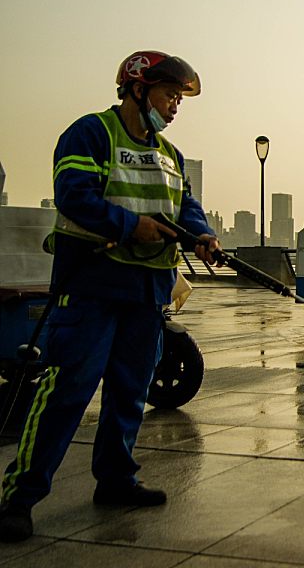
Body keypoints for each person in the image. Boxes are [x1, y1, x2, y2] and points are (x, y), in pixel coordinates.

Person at [0, 51, 221, 543]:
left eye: (179, 99)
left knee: (130, 391)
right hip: (93, 285)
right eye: (168, 95)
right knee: (67, 390)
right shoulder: (92, 133)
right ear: (137, 90)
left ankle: (117, 479)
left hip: (147, 291)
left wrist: (202, 235)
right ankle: (19, 497)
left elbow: (185, 206)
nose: (174, 107)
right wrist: (130, 226)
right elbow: (73, 194)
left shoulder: (170, 154)